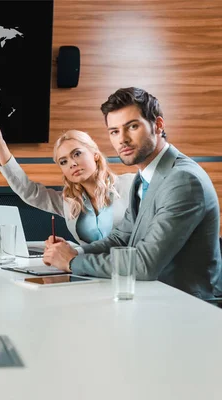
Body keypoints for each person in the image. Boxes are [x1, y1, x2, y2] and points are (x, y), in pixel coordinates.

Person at [42, 87, 222, 299]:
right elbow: (121, 238)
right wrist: (74, 252)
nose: (122, 139)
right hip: (153, 297)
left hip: (186, 306)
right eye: (114, 131)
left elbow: (145, 264)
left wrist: (72, 262)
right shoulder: (143, 176)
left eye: (132, 126)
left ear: (158, 125)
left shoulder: (182, 180)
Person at [0, 112, 135, 245]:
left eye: (77, 154)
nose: (72, 164)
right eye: (63, 162)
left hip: (132, 275)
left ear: (95, 155)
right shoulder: (69, 202)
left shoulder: (131, 185)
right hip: (91, 275)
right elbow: (29, 192)